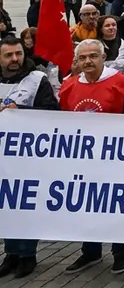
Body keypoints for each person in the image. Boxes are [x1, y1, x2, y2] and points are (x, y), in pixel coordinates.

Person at [59, 39, 124, 274]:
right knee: (87, 206)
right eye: (82, 58)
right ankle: (90, 252)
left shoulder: (122, 83)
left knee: (116, 206)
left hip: (115, 159)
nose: (88, 61)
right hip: (83, 161)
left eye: (93, 56)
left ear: (103, 57)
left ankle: (120, 252)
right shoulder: (69, 86)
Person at [0, 35, 59, 279]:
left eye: (19, 54)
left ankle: (27, 255)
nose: (15, 59)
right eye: (9, 55)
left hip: (27, 155)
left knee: (24, 204)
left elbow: (52, 112)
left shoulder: (37, 79)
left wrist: (22, 113)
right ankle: (11, 253)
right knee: (6, 206)